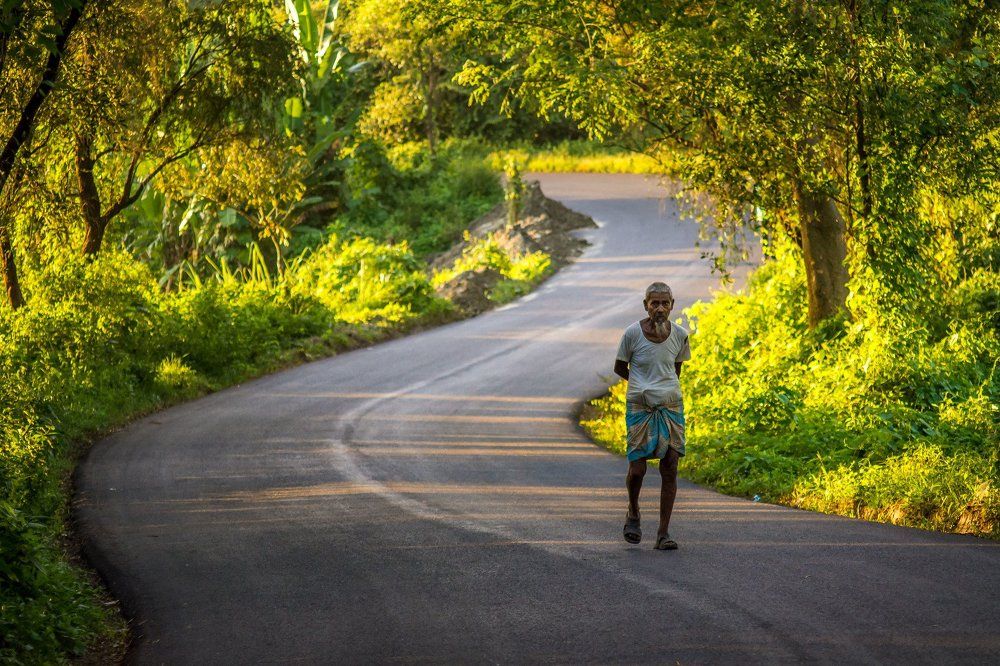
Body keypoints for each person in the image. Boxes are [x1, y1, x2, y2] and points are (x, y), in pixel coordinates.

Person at [614, 282, 691, 550]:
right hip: (640, 407)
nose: (659, 308)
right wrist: (640, 386)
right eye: (654, 303)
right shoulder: (632, 334)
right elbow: (620, 366)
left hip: (671, 407)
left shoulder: (680, 335)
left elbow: (675, 370)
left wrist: (664, 391)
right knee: (638, 469)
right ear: (645, 305)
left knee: (670, 466)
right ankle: (633, 512)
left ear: (672, 305)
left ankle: (663, 533)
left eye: (665, 303)